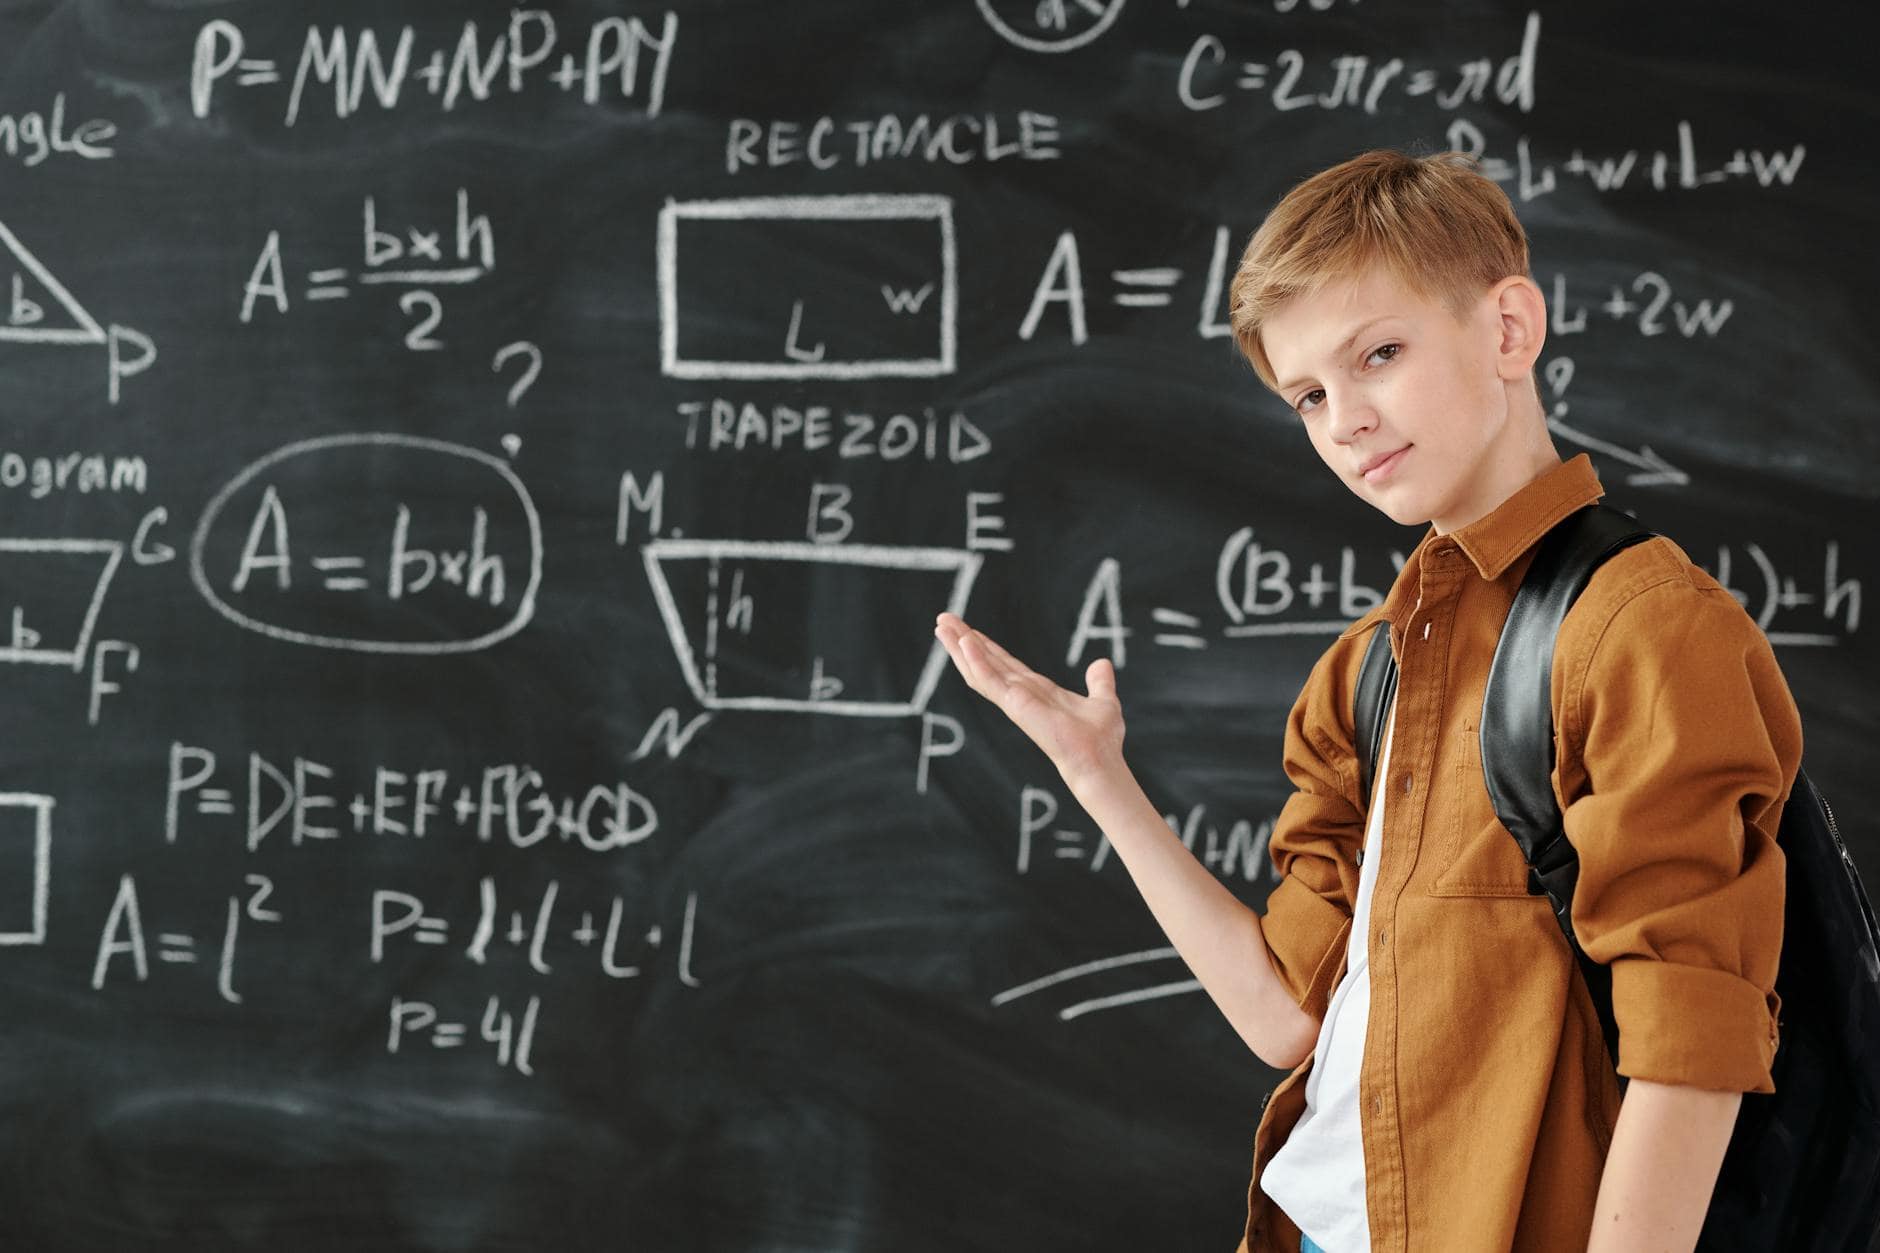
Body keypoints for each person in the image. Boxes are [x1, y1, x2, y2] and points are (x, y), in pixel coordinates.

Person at [932, 148, 1799, 1252]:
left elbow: (1689, 1038)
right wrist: (1096, 777)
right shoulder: (1366, 669)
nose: (1343, 419)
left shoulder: (1639, 627)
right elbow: (1283, 1011)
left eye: (1377, 354)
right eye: (1306, 395)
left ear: (1506, 329)